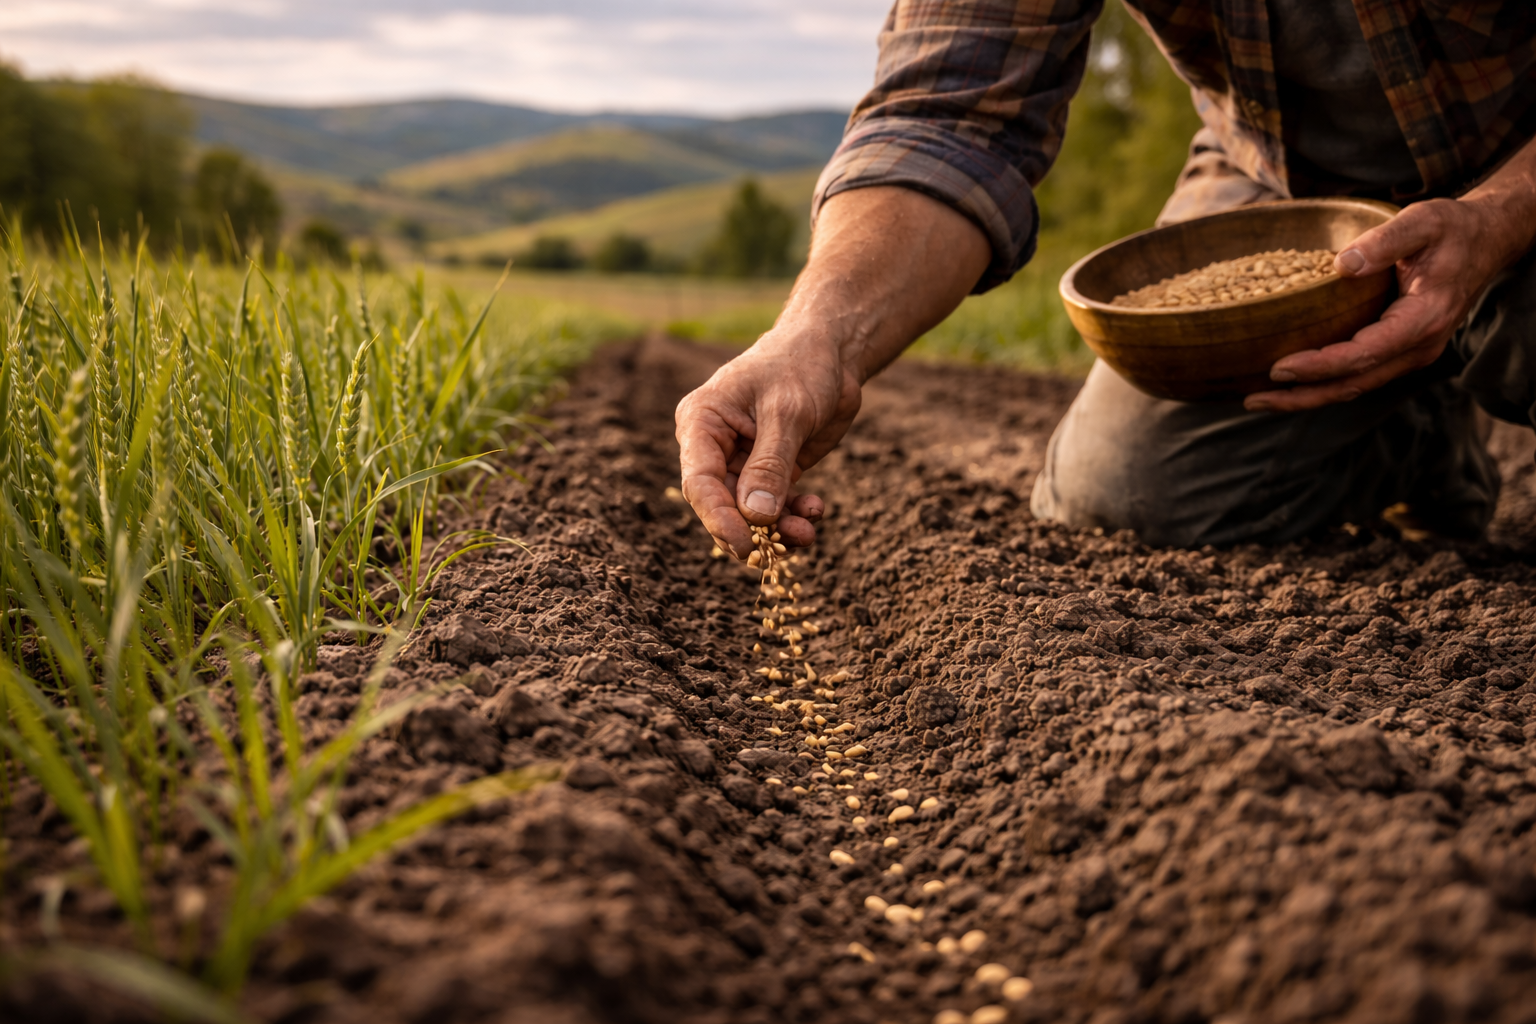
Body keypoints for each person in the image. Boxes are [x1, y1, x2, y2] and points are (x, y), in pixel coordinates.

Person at [675, 1, 1536, 554]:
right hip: (1286, 180)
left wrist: (1498, 217)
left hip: (1520, 163)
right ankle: (1416, 432)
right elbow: (947, 114)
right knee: (1126, 496)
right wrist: (813, 339)